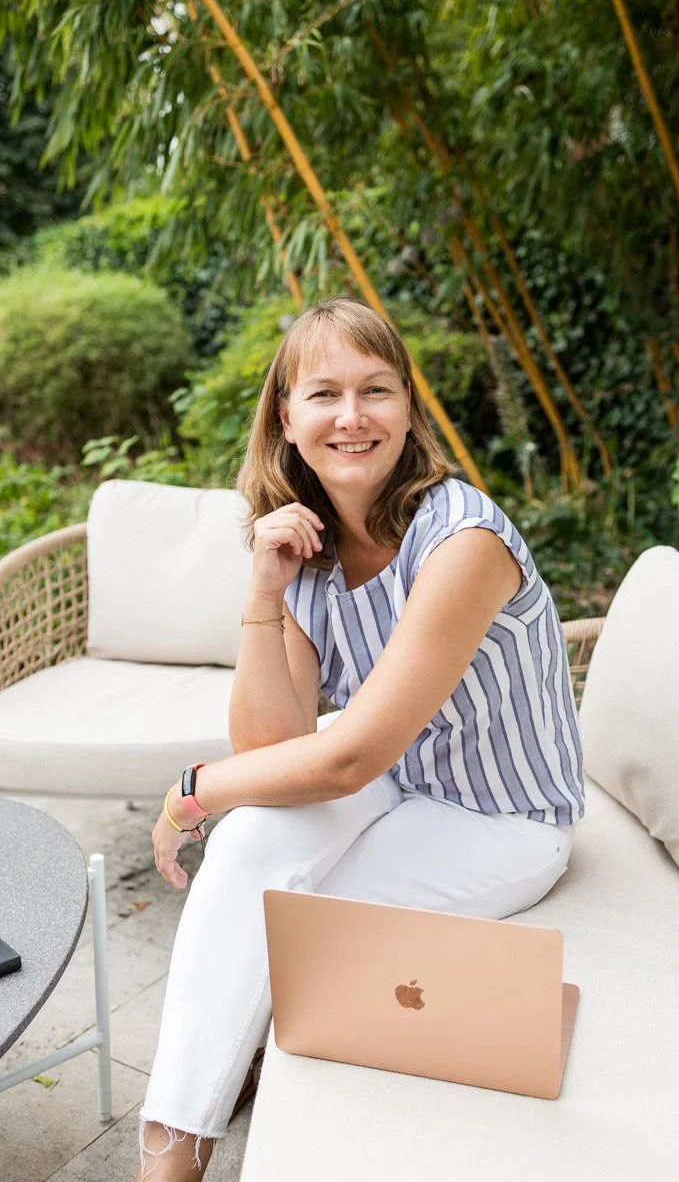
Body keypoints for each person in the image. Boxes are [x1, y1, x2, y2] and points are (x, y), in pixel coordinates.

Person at [136, 295, 585, 1180]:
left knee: (281, 922)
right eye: (324, 394)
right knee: (248, 848)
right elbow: (274, 748)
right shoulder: (305, 549)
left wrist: (193, 788)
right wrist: (264, 593)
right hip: (396, 782)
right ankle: (170, 1157)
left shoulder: (461, 538)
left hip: (504, 816)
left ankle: (215, 1092)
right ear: (286, 417)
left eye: (376, 390)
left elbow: (347, 756)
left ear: (408, 411)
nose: (351, 417)